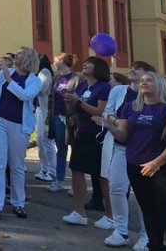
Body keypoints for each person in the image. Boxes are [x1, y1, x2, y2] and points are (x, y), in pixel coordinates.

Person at [104, 72, 166, 251]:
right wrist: (110, 126)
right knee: (148, 210)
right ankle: (156, 246)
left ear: (159, 84)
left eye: (149, 80)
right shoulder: (131, 107)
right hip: (134, 165)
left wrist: (157, 162)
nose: (144, 82)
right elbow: (123, 136)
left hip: (158, 168)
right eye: (142, 80)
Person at [90, 62, 151, 249]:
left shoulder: (150, 92)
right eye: (131, 67)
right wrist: (119, 121)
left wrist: (118, 123)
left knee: (143, 194)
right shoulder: (119, 91)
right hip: (119, 147)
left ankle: (146, 234)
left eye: (137, 68)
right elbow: (108, 112)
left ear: (147, 75)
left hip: (143, 150)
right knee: (116, 188)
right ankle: (120, 230)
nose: (131, 70)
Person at [0, 47, 41, 221]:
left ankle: (19, 202)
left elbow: (24, 96)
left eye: (20, 54)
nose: (15, 55)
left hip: (19, 125)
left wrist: (8, 78)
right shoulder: (6, 72)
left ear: (28, 59)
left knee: (16, 165)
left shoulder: (34, 80)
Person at [62, 56, 112, 226]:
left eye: (89, 63)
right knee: (76, 170)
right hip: (82, 132)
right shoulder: (82, 86)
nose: (85, 64)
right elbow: (74, 108)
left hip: (98, 135)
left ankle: (111, 215)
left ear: (99, 68)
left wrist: (79, 102)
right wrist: (69, 101)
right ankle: (79, 211)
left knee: (101, 176)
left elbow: (99, 111)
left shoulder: (104, 87)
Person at [47, 53, 78, 193]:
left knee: (75, 149)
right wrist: (49, 116)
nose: (54, 63)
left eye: (56, 61)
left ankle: (75, 184)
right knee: (61, 148)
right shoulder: (56, 78)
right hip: (57, 116)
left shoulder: (77, 78)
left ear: (62, 62)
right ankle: (59, 180)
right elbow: (51, 98)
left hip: (71, 117)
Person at [34, 55, 56, 183]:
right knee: (40, 140)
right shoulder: (40, 73)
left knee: (46, 140)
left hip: (45, 110)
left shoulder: (45, 72)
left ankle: (52, 170)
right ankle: (44, 168)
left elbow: (41, 89)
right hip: (40, 109)